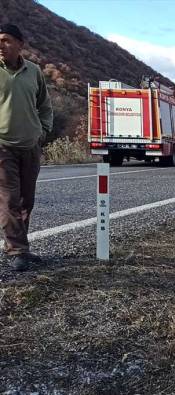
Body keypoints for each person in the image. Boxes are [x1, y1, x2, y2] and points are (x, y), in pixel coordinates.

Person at [0, 24, 53, 271]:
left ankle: (20, 248)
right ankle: (17, 250)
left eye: (6, 40)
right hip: (3, 147)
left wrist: (42, 131)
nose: (1, 45)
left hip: (30, 145)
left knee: (25, 201)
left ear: (20, 44)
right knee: (9, 199)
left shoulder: (34, 71)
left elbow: (44, 105)